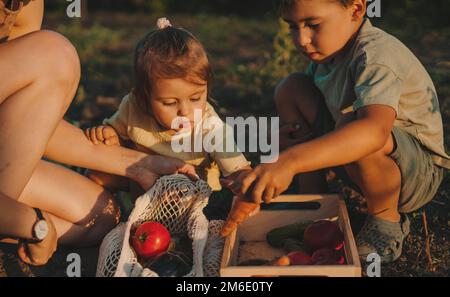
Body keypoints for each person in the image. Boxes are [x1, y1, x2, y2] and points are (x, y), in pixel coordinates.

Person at [229, 0, 449, 263]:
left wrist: (291, 160)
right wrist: (285, 146)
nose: (301, 39)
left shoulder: (376, 55)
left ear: (356, 10)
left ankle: (386, 219)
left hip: (415, 175)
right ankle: (312, 200)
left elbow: (373, 131)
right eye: (292, 27)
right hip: (361, 155)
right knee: (292, 88)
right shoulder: (328, 57)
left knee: (355, 127)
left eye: (313, 24)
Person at [0, 1, 197, 266]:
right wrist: (36, 225)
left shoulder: (23, 5)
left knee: (99, 216)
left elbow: (20, 121)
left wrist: (138, 165)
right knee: (54, 55)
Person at [85, 18, 252, 197]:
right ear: (143, 98)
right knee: (98, 174)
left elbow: (238, 169)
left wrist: (245, 179)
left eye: (195, 98)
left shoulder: (210, 127)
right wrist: (109, 135)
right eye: (170, 103)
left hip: (189, 197)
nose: (185, 111)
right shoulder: (134, 106)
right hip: (141, 182)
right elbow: (116, 134)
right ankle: (110, 216)